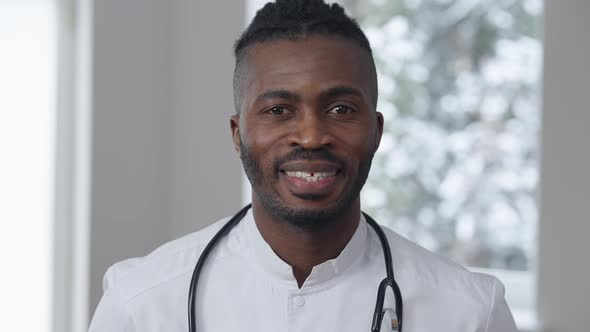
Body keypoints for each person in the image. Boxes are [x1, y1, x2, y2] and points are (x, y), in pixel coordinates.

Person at [89, 0, 518, 331]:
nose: (312, 136)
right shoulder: (141, 303)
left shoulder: (470, 312)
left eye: (341, 108)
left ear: (376, 129)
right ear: (238, 133)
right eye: (279, 110)